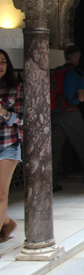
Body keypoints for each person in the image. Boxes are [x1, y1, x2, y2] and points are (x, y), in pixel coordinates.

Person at [51, 45, 84, 189]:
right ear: (76, 57)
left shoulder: (56, 71)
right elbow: (82, 98)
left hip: (55, 113)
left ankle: (50, 181)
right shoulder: (77, 74)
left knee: (53, 149)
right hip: (71, 113)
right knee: (81, 144)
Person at [0, 49, 22, 245]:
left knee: (1, 194)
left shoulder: (15, 89)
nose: (0, 65)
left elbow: (23, 119)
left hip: (7, 143)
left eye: (3, 61)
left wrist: (4, 113)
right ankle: (6, 222)